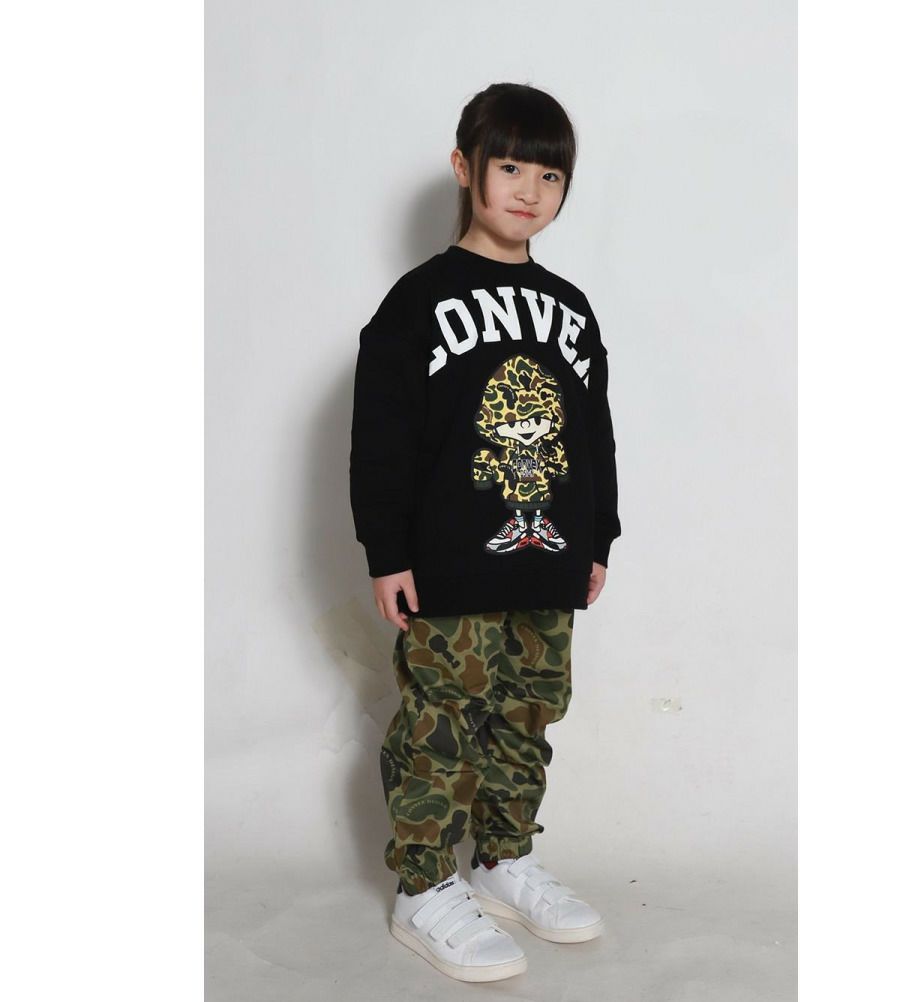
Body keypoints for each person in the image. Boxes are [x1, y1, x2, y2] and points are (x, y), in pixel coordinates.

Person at [349, 82, 621, 983]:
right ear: (465, 168)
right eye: (510, 168)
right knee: (440, 720)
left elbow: (594, 432)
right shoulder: (417, 301)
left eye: (550, 175)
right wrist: (387, 551)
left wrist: (599, 538)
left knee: (527, 716)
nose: (529, 191)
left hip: (549, 561)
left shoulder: (571, 307)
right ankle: (424, 884)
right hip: (450, 563)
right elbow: (381, 435)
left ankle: (503, 861)